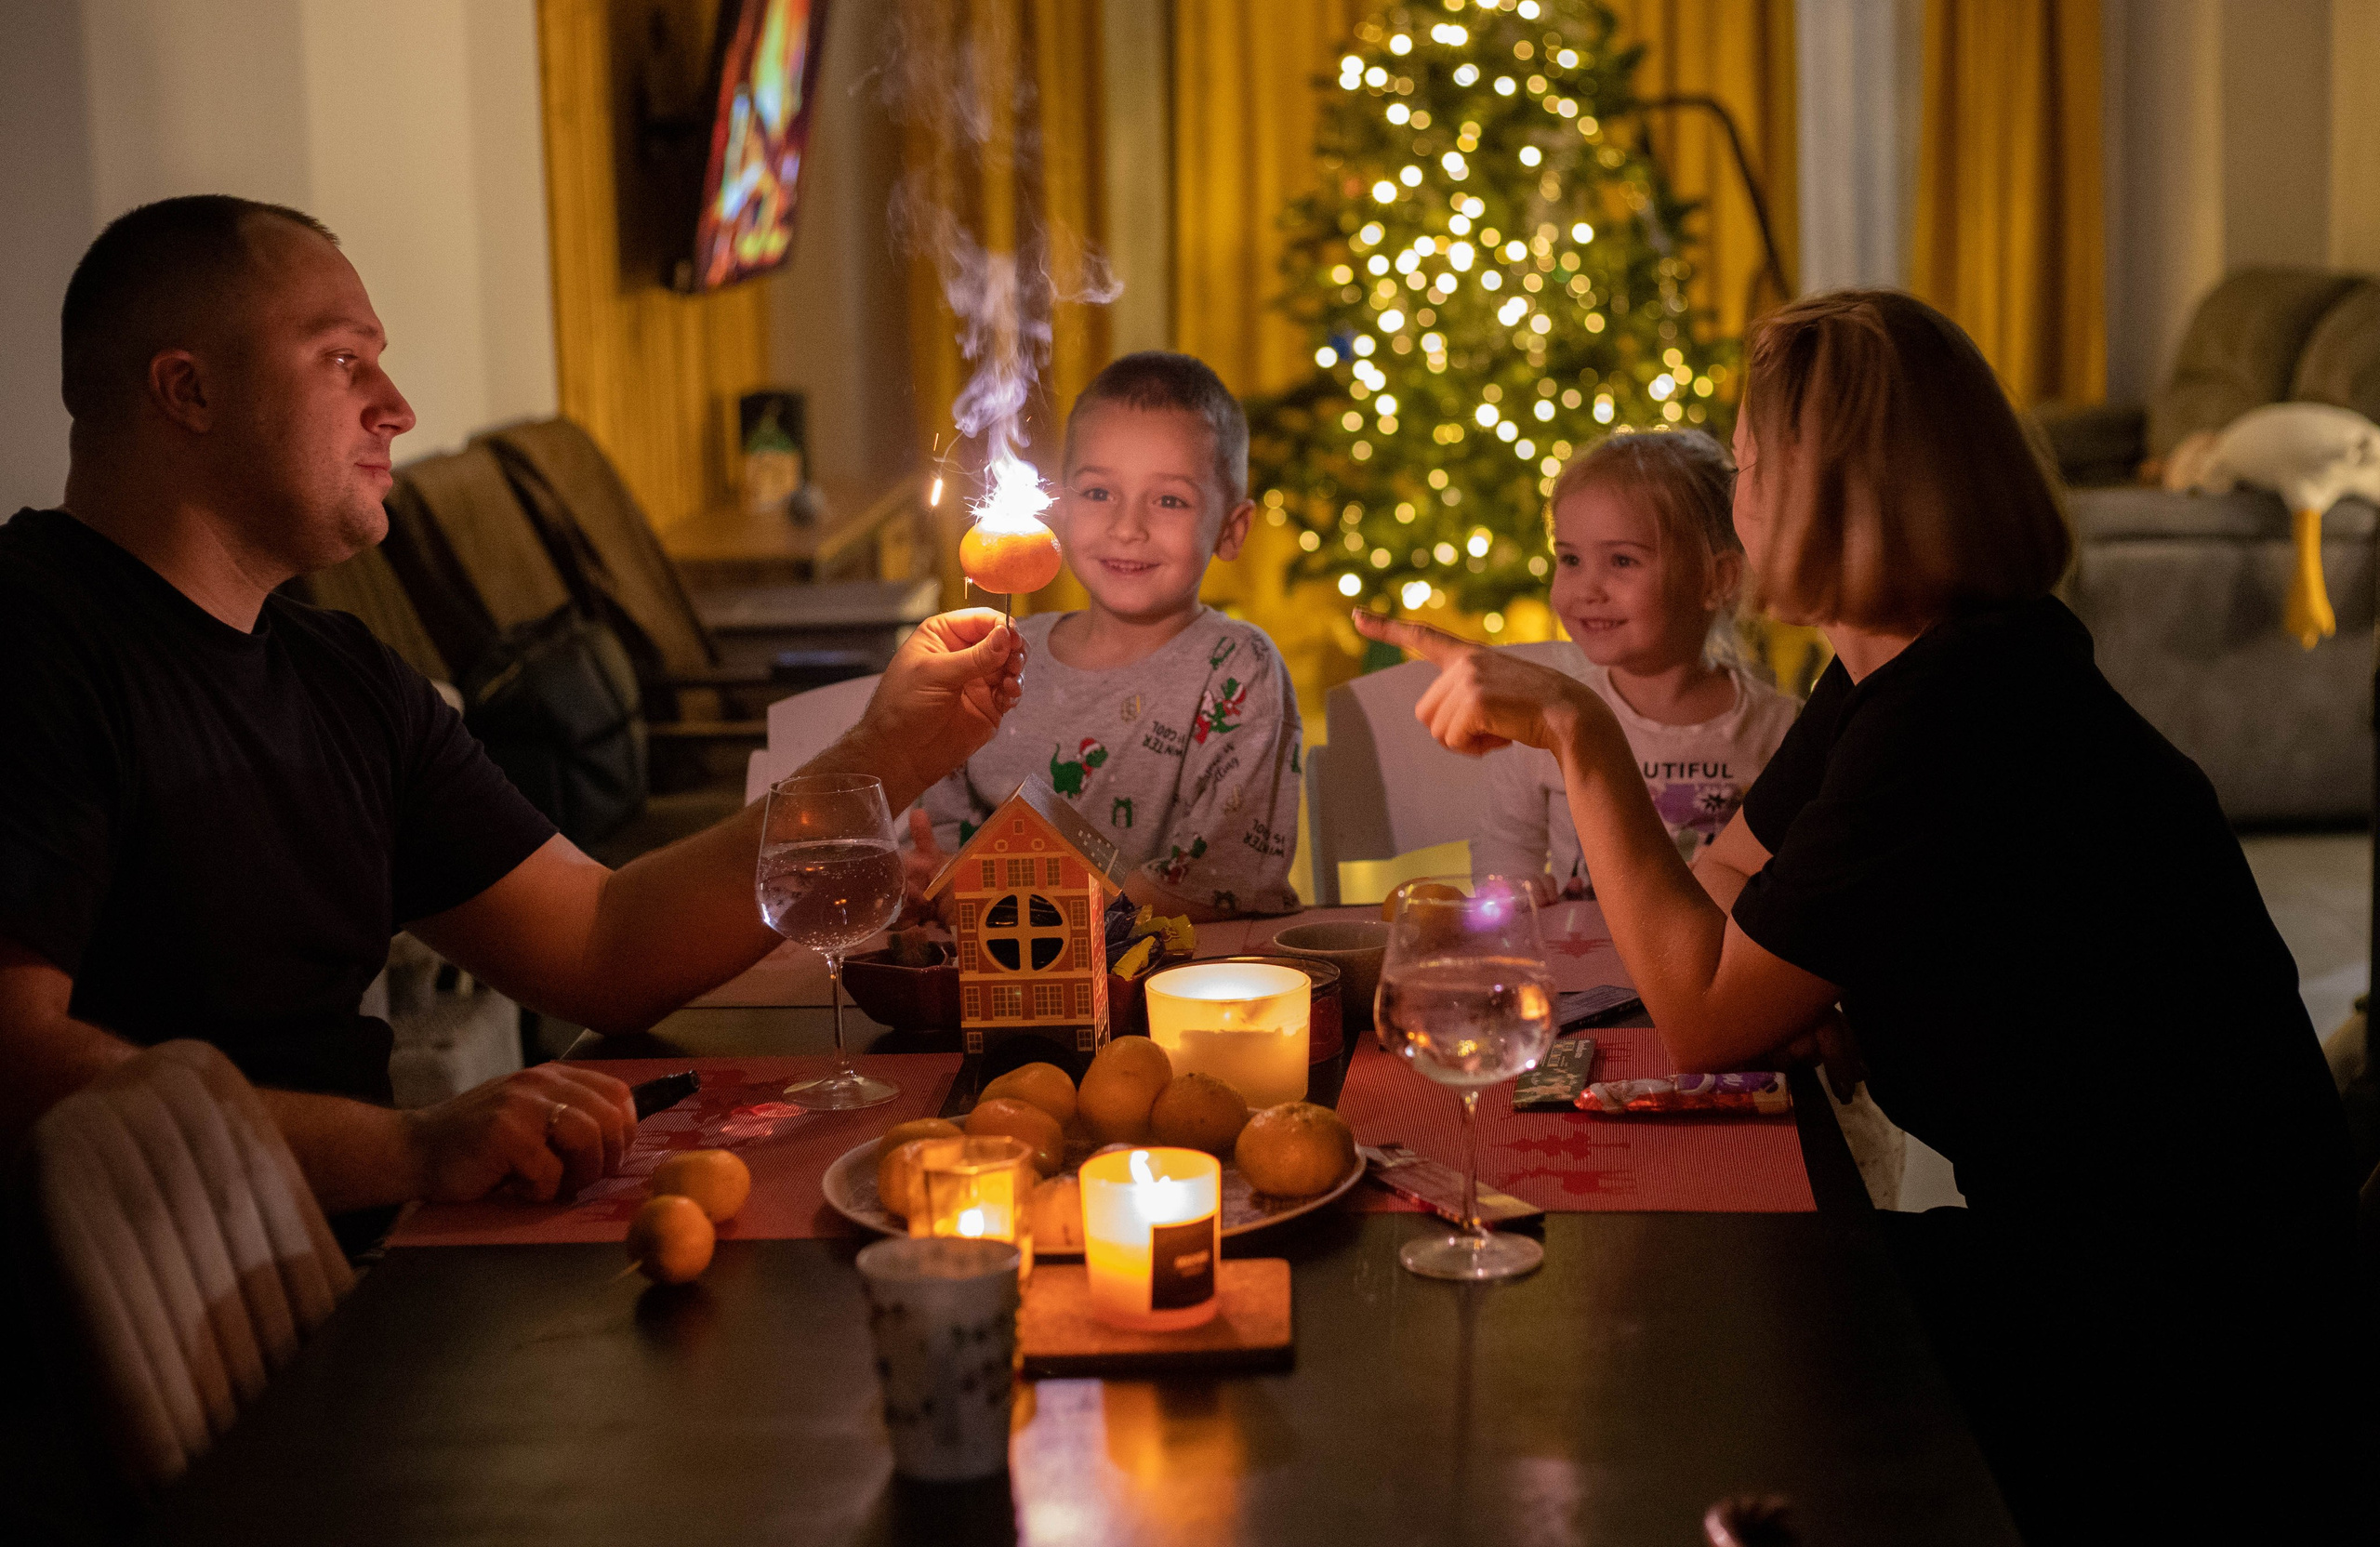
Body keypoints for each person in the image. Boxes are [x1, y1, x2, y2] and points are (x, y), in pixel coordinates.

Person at [1353, 291, 2360, 1542]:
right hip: (2097, 1257)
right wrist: (1782, 976)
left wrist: (1578, 730)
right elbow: (1719, 892)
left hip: (2189, 1332)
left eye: (1757, 468)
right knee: (1681, 1296)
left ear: (1838, 493)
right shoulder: (1888, 667)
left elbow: (1708, 1011)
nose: (1736, 499)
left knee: (1679, 1350)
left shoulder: (1958, 709)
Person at [0, 196, 1025, 1240]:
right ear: (189, 390)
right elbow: (18, 1061)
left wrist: (890, 753)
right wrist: (406, 1146)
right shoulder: (29, 643)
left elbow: (599, 939)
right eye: (343, 359)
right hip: (134, 1349)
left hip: (347, 1279)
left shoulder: (341, 675)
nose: (395, 405)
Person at [908, 351, 1302, 922]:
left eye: (1169, 500)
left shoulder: (1238, 670)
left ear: (1231, 530)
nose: (1127, 527)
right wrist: (927, 876)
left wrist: (1016, 907)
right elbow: (938, 838)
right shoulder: (996, 656)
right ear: (1058, 509)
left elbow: (1223, 878)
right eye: (1098, 493)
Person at [1471, 429, 1798, 897]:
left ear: (1717, 578)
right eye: (1570, 559)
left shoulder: (1782, 730)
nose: (1587, 589)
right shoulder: (1549, 718)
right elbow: (1505, 844)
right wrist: (1510, 894)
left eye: (1622, 561)